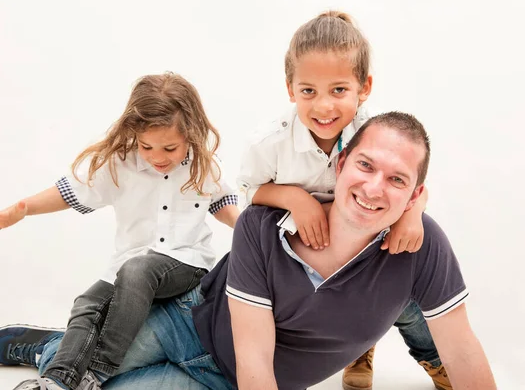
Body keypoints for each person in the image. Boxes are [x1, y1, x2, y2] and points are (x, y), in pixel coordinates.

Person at [1, 111, 497, 390]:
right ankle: (34, 342)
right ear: (341, 160)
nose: (373, 188)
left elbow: (465, 353)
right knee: (71, 367)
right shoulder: (267, 222)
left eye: (397, 180)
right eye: (365, 166)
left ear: (415, 194)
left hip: (225, 384)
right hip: (187, 321)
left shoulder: (421, 248)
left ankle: (56, 345)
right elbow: (255, 353)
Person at [237, 11, 444, 390]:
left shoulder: (374, 131)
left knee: (405, 302)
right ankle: (354, 347)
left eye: (338, 90)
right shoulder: (269, 143)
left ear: (363, 87)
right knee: (324, 302)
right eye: (308, 91)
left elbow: (410, 180)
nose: (323, 107)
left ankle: (434, 360)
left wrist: (414, 213)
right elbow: (249, 190)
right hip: (307, 251)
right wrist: (296, 198)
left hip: (367, 240)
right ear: (290, 88)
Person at [0, 73, 240, 390]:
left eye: (170, 148)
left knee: (139, 269)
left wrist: (252, 231)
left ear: (190, 135)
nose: (158, 158)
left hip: (185, 264)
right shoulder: (118, 165)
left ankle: (96, 373)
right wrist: (25, 208)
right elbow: (71, 191)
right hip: (128, 268)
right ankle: (58, 380)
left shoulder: (203, 165)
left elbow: (223, 205)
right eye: (147, 147)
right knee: (87, 303)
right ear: (134, 135)